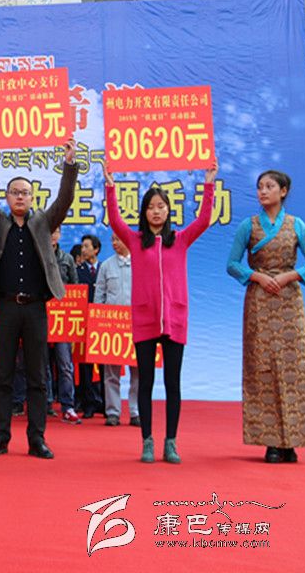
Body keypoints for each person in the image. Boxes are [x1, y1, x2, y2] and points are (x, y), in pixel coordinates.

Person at [0, 137, 79, 460]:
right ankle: (0, 437)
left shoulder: (43, 222)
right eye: (14, 192)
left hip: (35, 309)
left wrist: (69, 164)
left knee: (37, 376)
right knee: (1, 374)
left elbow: (65, 199)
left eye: (25, 193)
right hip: (5, 307)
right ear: (7, 197)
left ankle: (37, 439)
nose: (19, 197)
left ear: (32, 198)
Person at [104, 158, 217, 464]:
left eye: (161, 206)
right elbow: (115, 220)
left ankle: (171, 442)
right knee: (145, 382)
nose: (156, 211)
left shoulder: (180, 240)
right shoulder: (134, 241)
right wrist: (111, 187)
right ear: (144, 212)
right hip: (145, 319)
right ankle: (147, 441)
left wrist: (208, 183)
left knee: (172, 384)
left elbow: (204, 220)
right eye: (151, 207)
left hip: (175, 320)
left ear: (168, 211)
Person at [226, 169, 305, 464]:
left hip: (289, 301)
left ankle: (292, 441)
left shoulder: (296, 225)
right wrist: (256, 276)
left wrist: (288, 276)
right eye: (260, 187)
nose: (263, 191)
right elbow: (232, 264)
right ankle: (270, 441)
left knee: (294, 368)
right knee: (262, 367)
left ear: (283, 191)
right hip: (259, 301)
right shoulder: (249, 226)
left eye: (269, 186)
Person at [94, 234, 139, 427]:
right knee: (111, 372)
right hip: (112, 326)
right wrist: (98, 321)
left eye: (118, 239)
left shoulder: (140, 263)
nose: (114, 243)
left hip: (136, 324)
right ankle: (112, 412)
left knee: (138, 371)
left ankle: (136, 411)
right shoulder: (106, 266)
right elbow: (99, 295)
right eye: (112, 240)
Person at [49, 227, 81, 424]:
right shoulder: (37, 255)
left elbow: (76, 289)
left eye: (55, 231)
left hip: (62, 319)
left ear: (59, 235)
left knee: (65, 365)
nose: (52, 235)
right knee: (41, 365)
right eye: (49, 231)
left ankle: (68, 405)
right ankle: (45, 404)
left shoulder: (67, 259)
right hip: (42, 317)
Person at [74, 234, 103, 418]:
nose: (83, 250)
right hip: (83, 322)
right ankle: (88, 403)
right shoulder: (77, 271)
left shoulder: (104, 268)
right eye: (82, 246)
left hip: (102, 321)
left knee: (104, 364)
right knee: (85, 365)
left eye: (86, 246)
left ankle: (105, 402)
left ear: (96, 249)